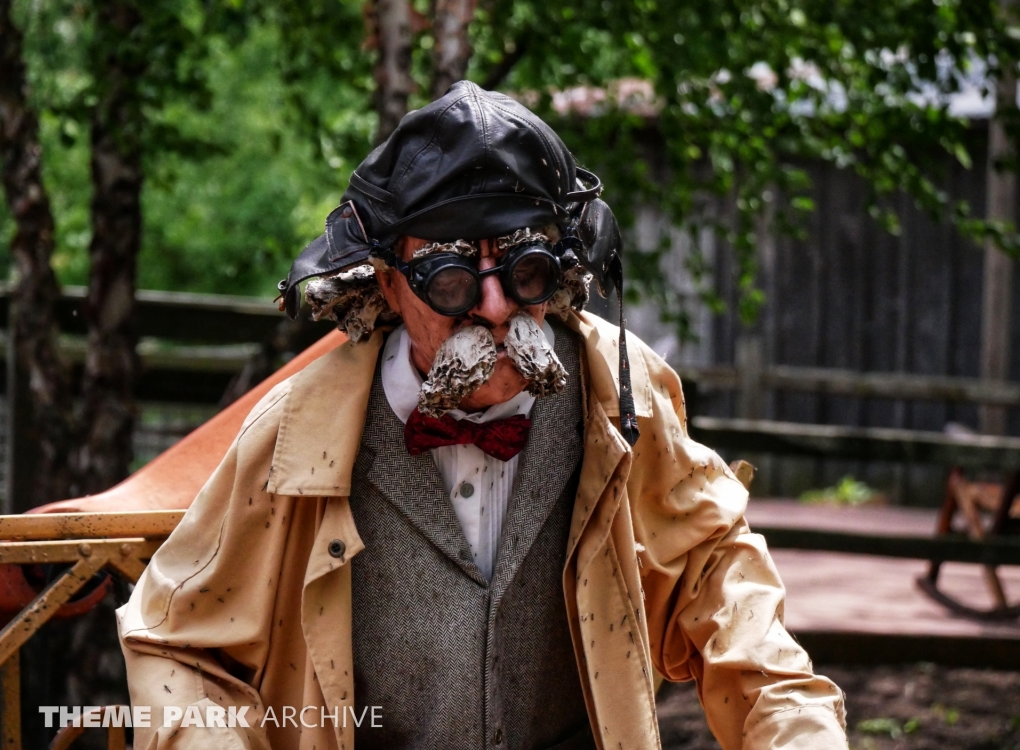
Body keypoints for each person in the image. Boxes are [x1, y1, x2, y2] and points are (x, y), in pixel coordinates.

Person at [118, 80, 848, 750]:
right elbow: (176, 645)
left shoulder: (621, 399)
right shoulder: (299, 434)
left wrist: (797, 731)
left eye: (524, 269)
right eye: (452, 277)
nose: (495, 310)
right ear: (389, 282)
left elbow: (722, 581)